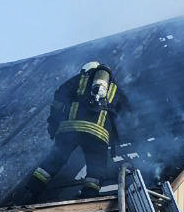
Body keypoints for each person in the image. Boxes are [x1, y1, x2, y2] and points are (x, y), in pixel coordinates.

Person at [21, 61, 127, 202]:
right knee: (96, 168)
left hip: (70, 129)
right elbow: (123, 112)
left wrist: (53, 123)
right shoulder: (115, 89)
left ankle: (30, 192)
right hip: (99, 134)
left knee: (55, 160)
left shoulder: (80, 79)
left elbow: (59, 98)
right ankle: (89, 196)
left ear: (86, 70)